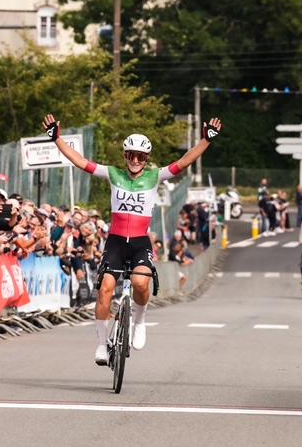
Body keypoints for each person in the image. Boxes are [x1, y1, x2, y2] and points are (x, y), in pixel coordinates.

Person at [43, 112, 220, 365]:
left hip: (139, 243)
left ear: (146, 159)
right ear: (125, 156)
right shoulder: (113, 174)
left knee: (140, 283)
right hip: (115, 242)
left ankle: (139, 321)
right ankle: (102, 345)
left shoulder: (155, 176)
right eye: (131, 155)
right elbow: (80, 161)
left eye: (141, 156)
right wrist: (56, 139)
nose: (136, 160)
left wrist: (206, 141)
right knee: (104, 291)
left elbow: (184, 161)